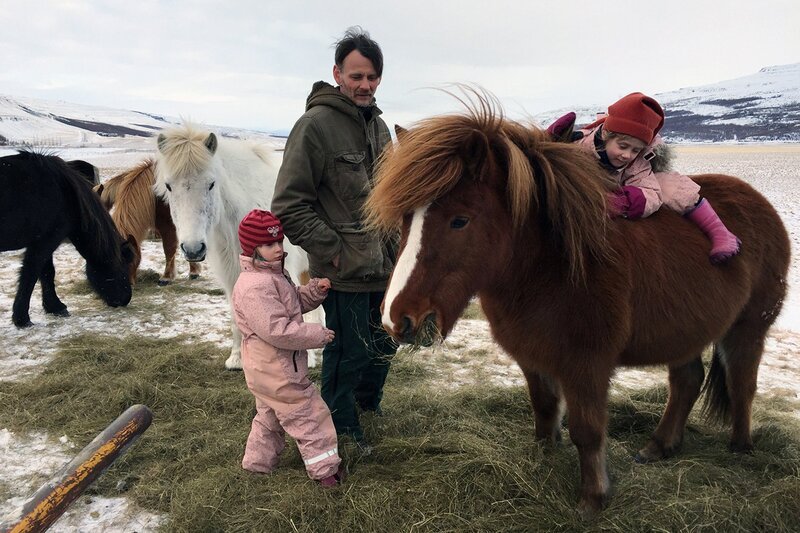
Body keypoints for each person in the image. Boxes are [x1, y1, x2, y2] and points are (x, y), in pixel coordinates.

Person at [271, 27, 397, 452]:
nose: (365, 85)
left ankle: (367, 407)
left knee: (384, 344)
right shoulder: (314, 127)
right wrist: (335, 253)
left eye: (372, 77)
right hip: (344, 272)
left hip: (385, 265)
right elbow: (289, 205)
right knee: (348, 354)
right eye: (356, 76)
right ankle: (342, 428)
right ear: (337, 73)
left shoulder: (379, 127)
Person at [548, 92, 741, 264]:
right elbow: (555, 158)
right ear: (606, 135)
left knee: (673, 189)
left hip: (622, 188)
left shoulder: (637, 163)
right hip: (594, 183)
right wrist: (552, 140)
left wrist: (622, 201)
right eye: (623, 146)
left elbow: (651, 194)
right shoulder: (582, 145)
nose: (627, 155)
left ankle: (720, 232)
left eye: (636, 150)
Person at [232, 209, 344, 487]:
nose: (278, 249)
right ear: (252, 248)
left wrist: (314, 292)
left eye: (279, 242)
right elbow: (277, 330)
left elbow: (291, 303)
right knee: (309, 414)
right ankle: (326, 471)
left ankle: (257, 465)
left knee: (270, 417)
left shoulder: (272, 276)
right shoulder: (254, 287)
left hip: (266, 371)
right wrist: (315, 334)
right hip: (278, 370)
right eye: (269, 244)